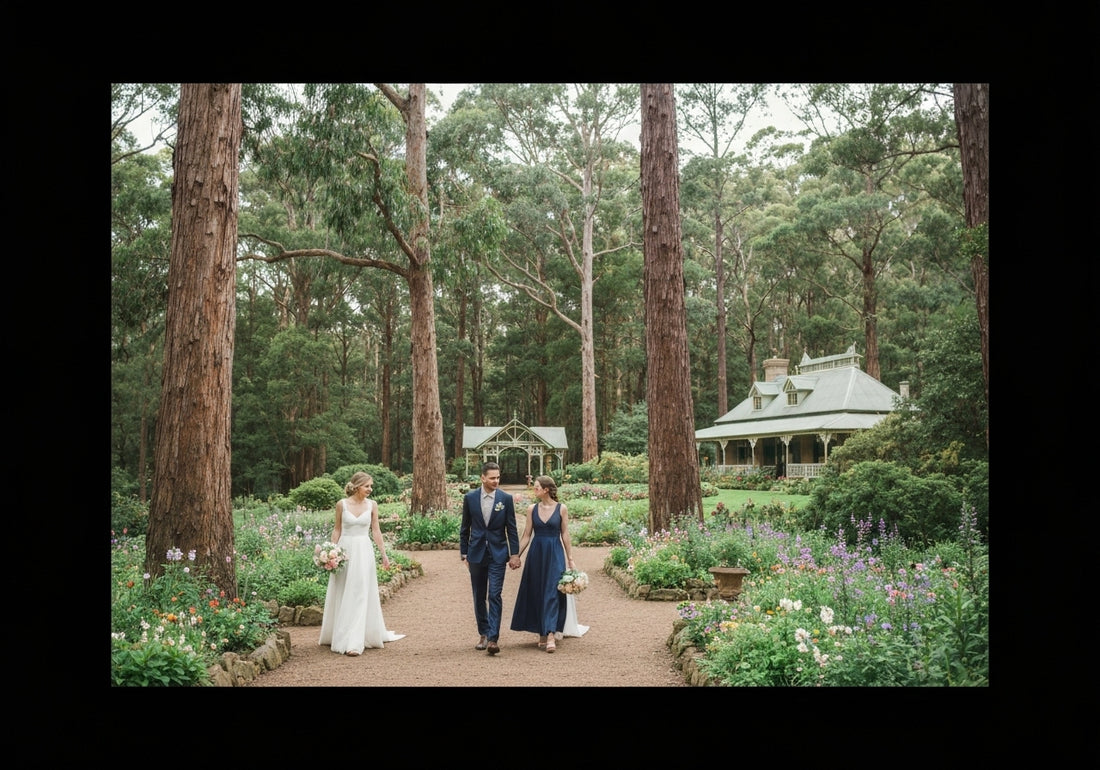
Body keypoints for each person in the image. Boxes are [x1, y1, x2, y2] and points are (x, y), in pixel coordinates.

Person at [318, 472, 405, 656]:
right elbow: (337, 530)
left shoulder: (372, 505)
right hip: (345, 552)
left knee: (360, 592)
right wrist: (331, 551)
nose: (370, 489)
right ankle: (339, 632)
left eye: (371, 486)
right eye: (367, 486)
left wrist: (384, 555)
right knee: (344, 590)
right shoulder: (342, 504)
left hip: (364, 551)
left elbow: (376, 531)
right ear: (357, 486)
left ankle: (355, 642)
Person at [509, 475, 577, 653]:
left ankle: (551, 634)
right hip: (536, 554)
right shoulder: (532, 509)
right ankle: (541, 631)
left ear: (546, 490)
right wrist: (516, 556)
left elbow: (565, 534)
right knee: (537, 591)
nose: (534, 489)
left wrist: (570, 558)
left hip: (555, 553)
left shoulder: (561, 508)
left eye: (537, 487)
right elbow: (526, 535)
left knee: (553, 592)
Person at [460, 461, 521, 655]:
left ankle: (493, 638)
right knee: (479, 595)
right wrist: (464, 553)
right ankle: (484, 634)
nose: (496, 481)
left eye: (498, 477)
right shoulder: (470, 498)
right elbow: (465, 528)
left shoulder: (505, 499)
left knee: (494, 594)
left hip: (498, 553)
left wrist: (514, 554)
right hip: (476, 553)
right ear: (483, 478)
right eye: (492, 478)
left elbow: (512, 528)